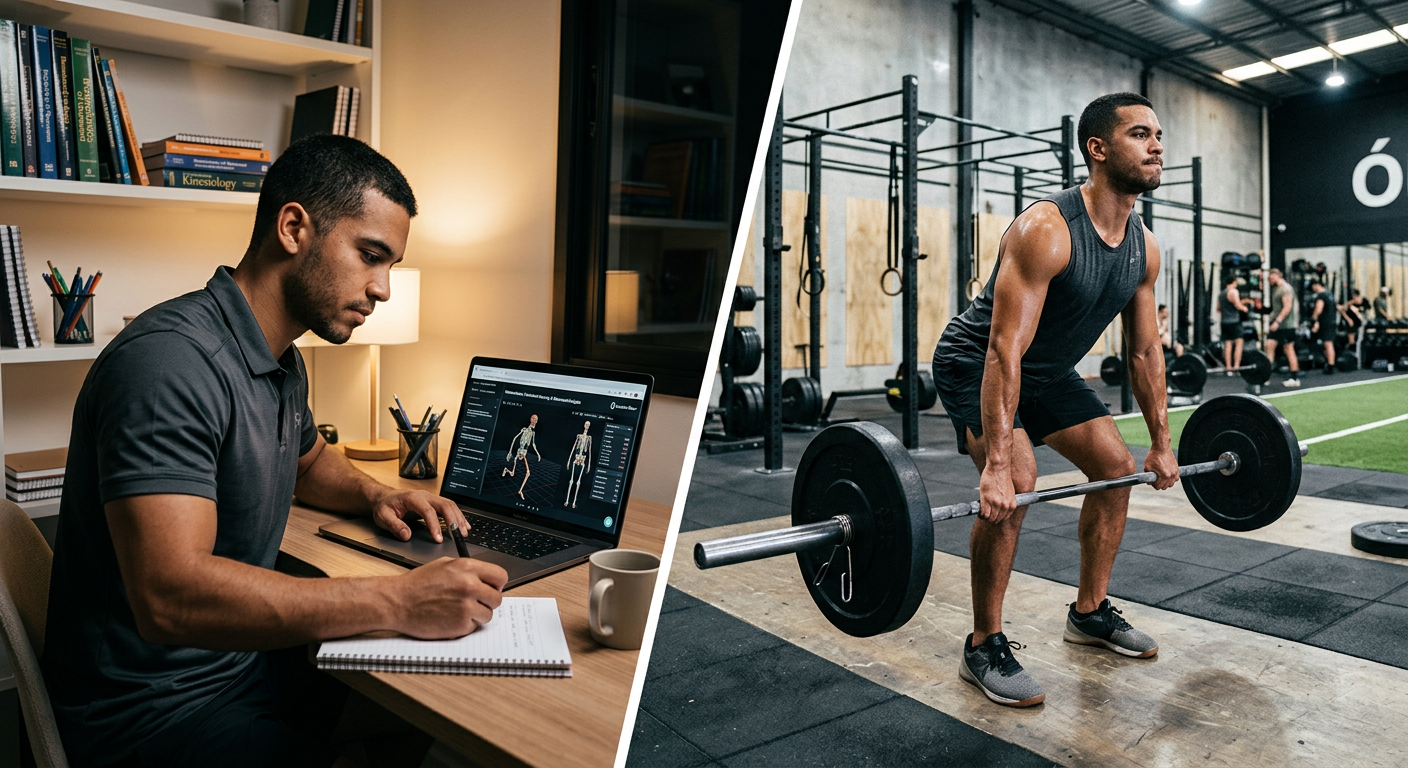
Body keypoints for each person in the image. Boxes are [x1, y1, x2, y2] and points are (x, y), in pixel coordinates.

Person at [42, 135, 509, 768]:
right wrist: (398, 601)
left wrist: (378, 493)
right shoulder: (168, 364)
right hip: (149, 718)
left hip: (238, 673)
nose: (384, 289)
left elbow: (307, 460)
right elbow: (171, 597)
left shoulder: (280, 360)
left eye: (391, 265)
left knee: (441, 716)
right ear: (293, 228)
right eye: (371, 255)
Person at [932, 93, 1178, 708]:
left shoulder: (1144, 249)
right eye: (1139, 134)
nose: (1156, 146)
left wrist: (1162, 444)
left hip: (1047, 370)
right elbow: (1001, 353)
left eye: (1157, 135)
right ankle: (983, 643)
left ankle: (1089, 613)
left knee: (1116, 471)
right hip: (977, 362)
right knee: (1017, 483)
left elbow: (1146, 353)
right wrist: (994, 466)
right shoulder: (1047, 230)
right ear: (1098, 149)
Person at [1264, 269, 1301, 388]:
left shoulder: (1286, 289)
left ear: (1278, 276)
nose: (1269, 280)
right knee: (1269, 346)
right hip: (1278, 324)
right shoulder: (1276, 289)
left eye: (1271, 277)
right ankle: (1265, 376)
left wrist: (1277, 322)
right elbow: (1276, 309)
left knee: (1288, 349)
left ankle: (1294, 378)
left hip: (1286, 325)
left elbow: (1287, 307)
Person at [1219, 274, 1252, 375]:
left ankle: (1228, 367)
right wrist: (1245, 308)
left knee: (1228, 344)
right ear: (1234, 282)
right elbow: (1237, 305)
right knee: (1239, 342)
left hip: (1224, 321)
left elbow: (1218, 308)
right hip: (1234, 321)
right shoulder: (1234, 291)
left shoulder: (1221, 294)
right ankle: (1236, 366)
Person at [1309, 278, 1338, 373]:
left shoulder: (1321, 296)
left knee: (1327, 343)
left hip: (1325, 323)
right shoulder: (1329, 295)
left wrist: (1313, 319)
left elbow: (1318, 309)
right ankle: (1330, 364)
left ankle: (1330, 366)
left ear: (1315, 285)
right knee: (1329, 343)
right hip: (1331, 322)